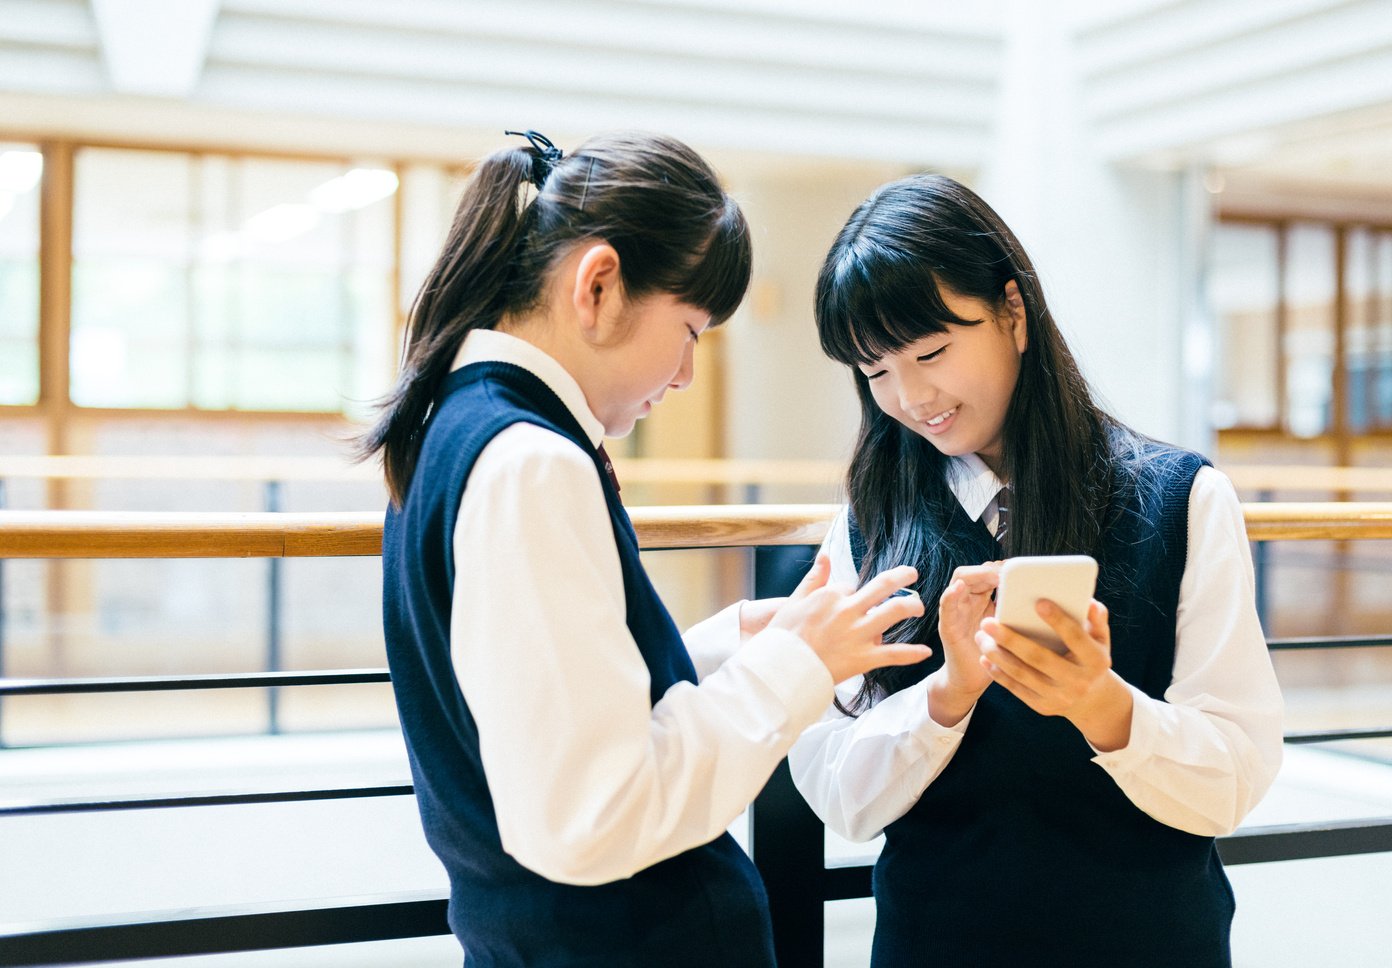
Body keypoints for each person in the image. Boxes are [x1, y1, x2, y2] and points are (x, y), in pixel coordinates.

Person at [363, 130, 930, 967]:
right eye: (692, 329)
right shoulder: (532, 464)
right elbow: (594, 816)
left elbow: (554, 706)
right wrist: (795, 668)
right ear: (597, 286)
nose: (687, 373)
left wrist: (736, 645)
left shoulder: (460, 429)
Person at [787, 174, 1284, 967]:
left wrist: (1102, 706)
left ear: (1012, 312)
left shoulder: (1182, 501)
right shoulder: (867, 527)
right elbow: (839, 794)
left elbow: (1235, 775)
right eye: (874, 372)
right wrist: (947, 695)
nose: (912, 397)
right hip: (936, 941)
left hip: (1147, 940)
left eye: (931, 351)